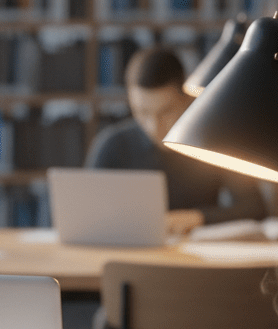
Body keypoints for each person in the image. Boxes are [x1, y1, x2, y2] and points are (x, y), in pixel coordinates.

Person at [86, 48, 268, 228]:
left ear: (186, 98)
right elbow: (85, 214)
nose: (153, 126)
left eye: (165, 112)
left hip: (196, 253)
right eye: (142, 112)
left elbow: (255, 209)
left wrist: (196, 218)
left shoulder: (214, 140)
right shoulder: (111, 145)